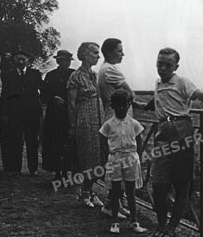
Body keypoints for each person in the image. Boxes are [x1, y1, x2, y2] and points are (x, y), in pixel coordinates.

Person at [145, 47, 203, 237]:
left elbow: (198, 94)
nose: (163, 67)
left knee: (181, 182)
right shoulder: (158, 83)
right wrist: (149, 104)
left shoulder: (183, 81)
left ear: (176, 66)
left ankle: (171, 228)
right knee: (159, 184)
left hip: (181, 131)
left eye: (168, 64)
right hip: (162, 133)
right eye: (160, 63)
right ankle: (160, 226)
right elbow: (161, 98)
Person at [98, 38, 143, 218]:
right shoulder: (110, 69)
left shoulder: (104, 69)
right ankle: (111, 204)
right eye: (119, 50)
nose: (122, 54)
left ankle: (116, 203)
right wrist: (137, 102)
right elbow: (130, 93)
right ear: (109, 52)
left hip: (115, 115)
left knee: (120, 163)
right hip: (116, 118)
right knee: (120, 160)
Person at [100, 89, 147, 234]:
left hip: (131, 159)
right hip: (115, 159)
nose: (121, 108)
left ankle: (134, 221)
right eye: (117, 105)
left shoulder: (134, 123)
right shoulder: (108, 124)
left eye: (124, 105)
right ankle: (114, 222)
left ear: (129, 105)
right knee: (115, 191)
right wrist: (109, 156)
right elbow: (102, 141)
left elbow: (139, 141)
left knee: (130, 191)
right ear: (112, 106)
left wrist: (137, 157)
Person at [67, 42, 104, 208]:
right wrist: (74, 125)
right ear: (85, 54)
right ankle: (85, 193)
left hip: (98, 117)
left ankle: (90, 191)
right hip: (84, 119)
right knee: (88, 156)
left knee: (98, 156)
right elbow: (71, 103)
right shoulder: (76, 76)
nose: (98, 56)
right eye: (95, 53)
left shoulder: (95, 75)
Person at [1, 49, 42, 176]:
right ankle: (16, 168)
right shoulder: (8, 76)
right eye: (18, 59)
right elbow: (5, 96)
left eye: (23, 59)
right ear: (14, 60)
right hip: (15, 114)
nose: (21, 61)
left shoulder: (35, 74)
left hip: (32, 114)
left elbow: (42, 91)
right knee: (16, 141)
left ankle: (33, 169)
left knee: (32, 142)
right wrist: (5, 114)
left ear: (27, 60)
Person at [41, 50, 75, 179]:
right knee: (54, 142)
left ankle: (68, 171)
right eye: (63, 60)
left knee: (68, 142)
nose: (66, 63)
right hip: (54, 114)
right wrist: (52, 98)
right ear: (58, 61)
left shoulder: (73, 74)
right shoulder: (51, 75)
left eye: (68, 60)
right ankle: (57, 171)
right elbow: (44, 94)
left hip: (68, 113)